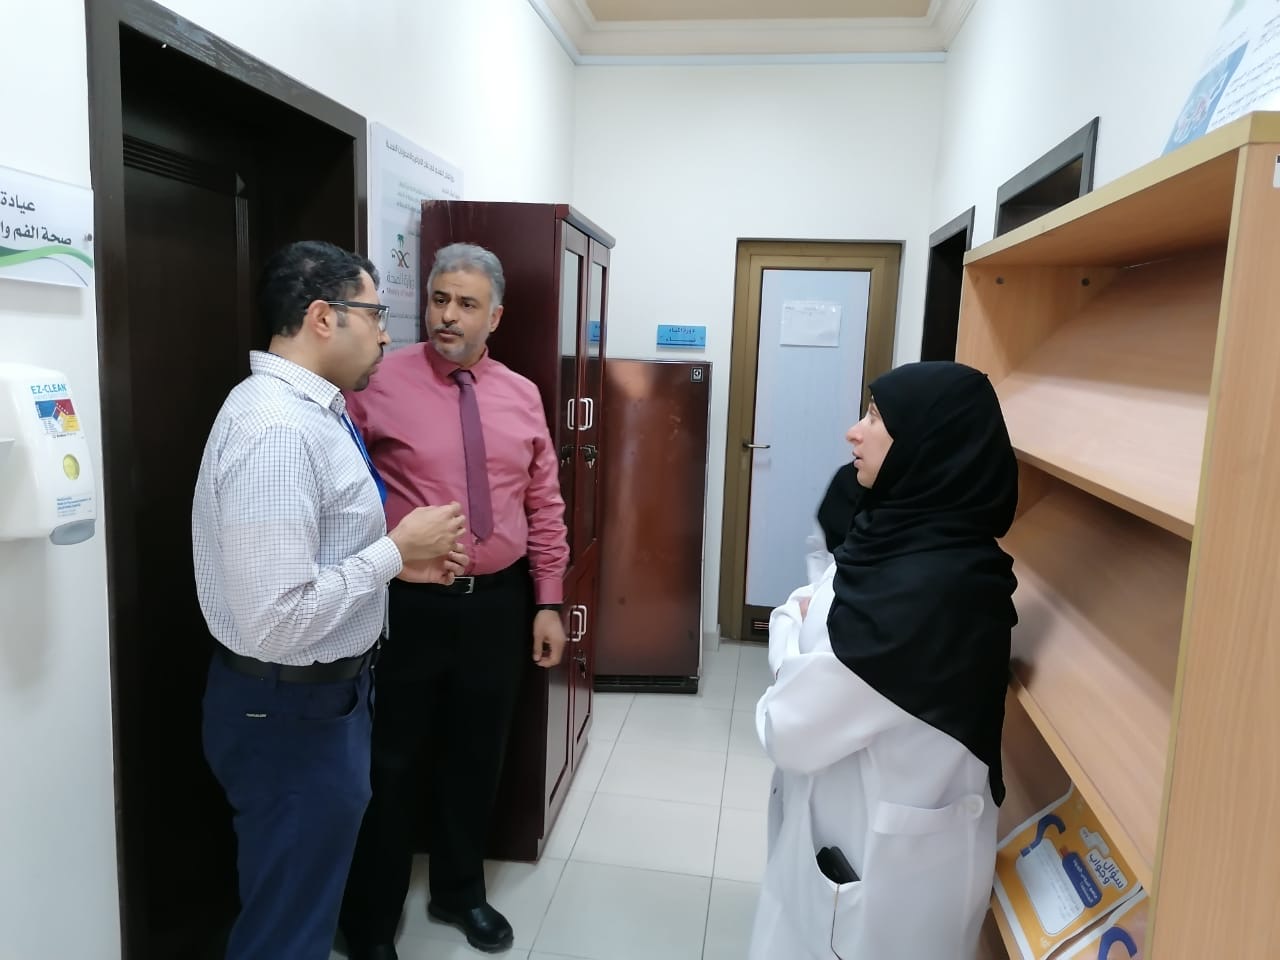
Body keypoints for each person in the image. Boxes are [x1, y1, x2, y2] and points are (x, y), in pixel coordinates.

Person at [192, 240, 468, 960]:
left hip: (320, 701)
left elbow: (314, 560)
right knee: (287, 927)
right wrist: (395, 551)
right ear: (323, 317)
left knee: (302, 906)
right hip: (289, 709)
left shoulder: (316, 410)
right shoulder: (279, 432)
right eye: (375, 315)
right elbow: (277, 619)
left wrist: (396, 570)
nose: (385, 334)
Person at [340, 242, 570, 959]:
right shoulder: (377, 381)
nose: (448, 315)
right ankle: (371, 921)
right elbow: (341, 491)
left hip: (498, 605)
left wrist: (548, 599)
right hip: (408, 606)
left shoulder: (521, 393)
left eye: (467, 304)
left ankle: (458, 892)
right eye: (439, 299)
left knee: (477, 755)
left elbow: (544, 502)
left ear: (494, 316)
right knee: (392, 762)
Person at [749, 361, 1019, 960]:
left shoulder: (922, 596)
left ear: (929, 443)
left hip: (882, 892)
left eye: (875, 416)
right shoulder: (911, 544)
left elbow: (787, 727)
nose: (854, 430)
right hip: (849, 842)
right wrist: (805, 636)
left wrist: (789, 628)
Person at [804, 460, 864, 582]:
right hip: (831, 583)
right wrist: (819, 588)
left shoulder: (900, 496)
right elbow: (818, 551)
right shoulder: (845, 479)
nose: (855, 451)